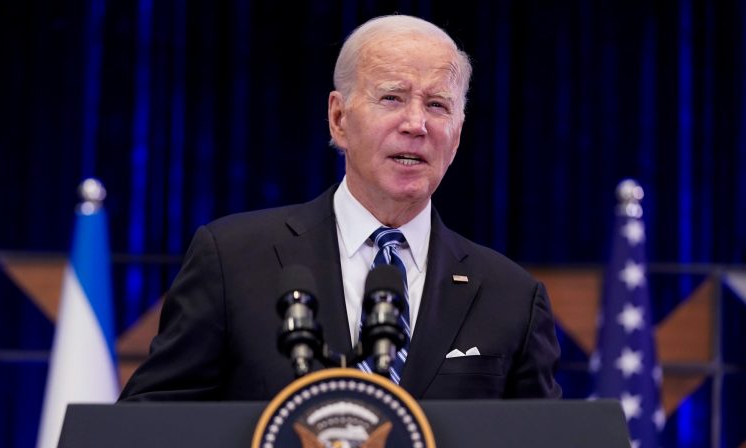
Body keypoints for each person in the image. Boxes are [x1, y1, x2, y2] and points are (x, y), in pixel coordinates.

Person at [119, 14, 561, 402]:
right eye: (391, 97)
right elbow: (152, 430)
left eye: (437, 105)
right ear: (338, 118)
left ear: (458, 135)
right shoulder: (231, 260)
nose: (415, 124)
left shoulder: (513, 298)